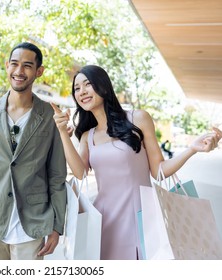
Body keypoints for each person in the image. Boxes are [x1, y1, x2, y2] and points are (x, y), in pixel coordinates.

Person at [51, 65, 222, 260]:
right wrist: (62, 134)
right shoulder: (87, 137)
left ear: (104, 87)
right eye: (77, 88)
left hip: (142, 214)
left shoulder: (138, 118)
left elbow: (159, 170)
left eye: (87, 84)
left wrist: (192, 149)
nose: (81, 92)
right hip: (105, 220)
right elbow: (80, 173)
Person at [0, 42, 67, 260]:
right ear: (6, 66)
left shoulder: (49, 116)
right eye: (14, 64)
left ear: (39, 71)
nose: (19, 71)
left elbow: (56, 175)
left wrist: (57, 226)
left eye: (27, 66)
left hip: (33, 222)